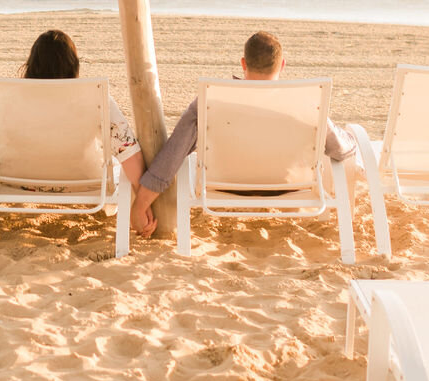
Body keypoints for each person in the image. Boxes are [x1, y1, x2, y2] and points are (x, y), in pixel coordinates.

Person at [130, 29, 357, 237]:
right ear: (282, 65)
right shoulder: (305, 102)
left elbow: (173, 154)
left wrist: (140, 204)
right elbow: (339, 149)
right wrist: (352, 138)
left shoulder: (212, 99)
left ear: (243, 63)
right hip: (288, 188)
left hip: (227, 186)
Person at [21, 29, 145, 188]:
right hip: (83, 182)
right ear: (73, 64)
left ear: (31, 64)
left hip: (24, 181)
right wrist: (143, 199)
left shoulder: (11, 98)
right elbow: (127, 151)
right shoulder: (96, 98)